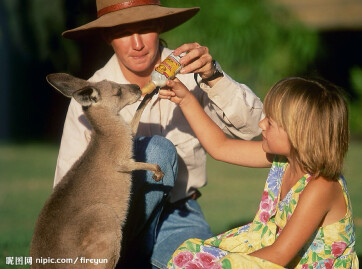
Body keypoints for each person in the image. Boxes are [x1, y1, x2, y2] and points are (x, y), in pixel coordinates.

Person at [54, 0, 264, 268]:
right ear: (108, 36)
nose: (137, 43)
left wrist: (213, 76)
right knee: (157, 151)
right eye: (123, 32)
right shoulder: (91, 97)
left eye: (145, 28)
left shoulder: (190, 70)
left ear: (159, 26)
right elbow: (67, 192)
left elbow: (253, 128)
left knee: (203, 264)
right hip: (119, 220)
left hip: (178, 213)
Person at [161, 77, 359, 268]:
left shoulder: (321, 187)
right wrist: (186, 100)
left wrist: (222, 265)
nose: (261, 124)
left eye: (270, 122)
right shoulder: (284, 160)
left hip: (281, 260)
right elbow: (220, 147)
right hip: (278, 261)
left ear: (299, 134)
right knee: (193, 257)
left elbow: (278, 255)